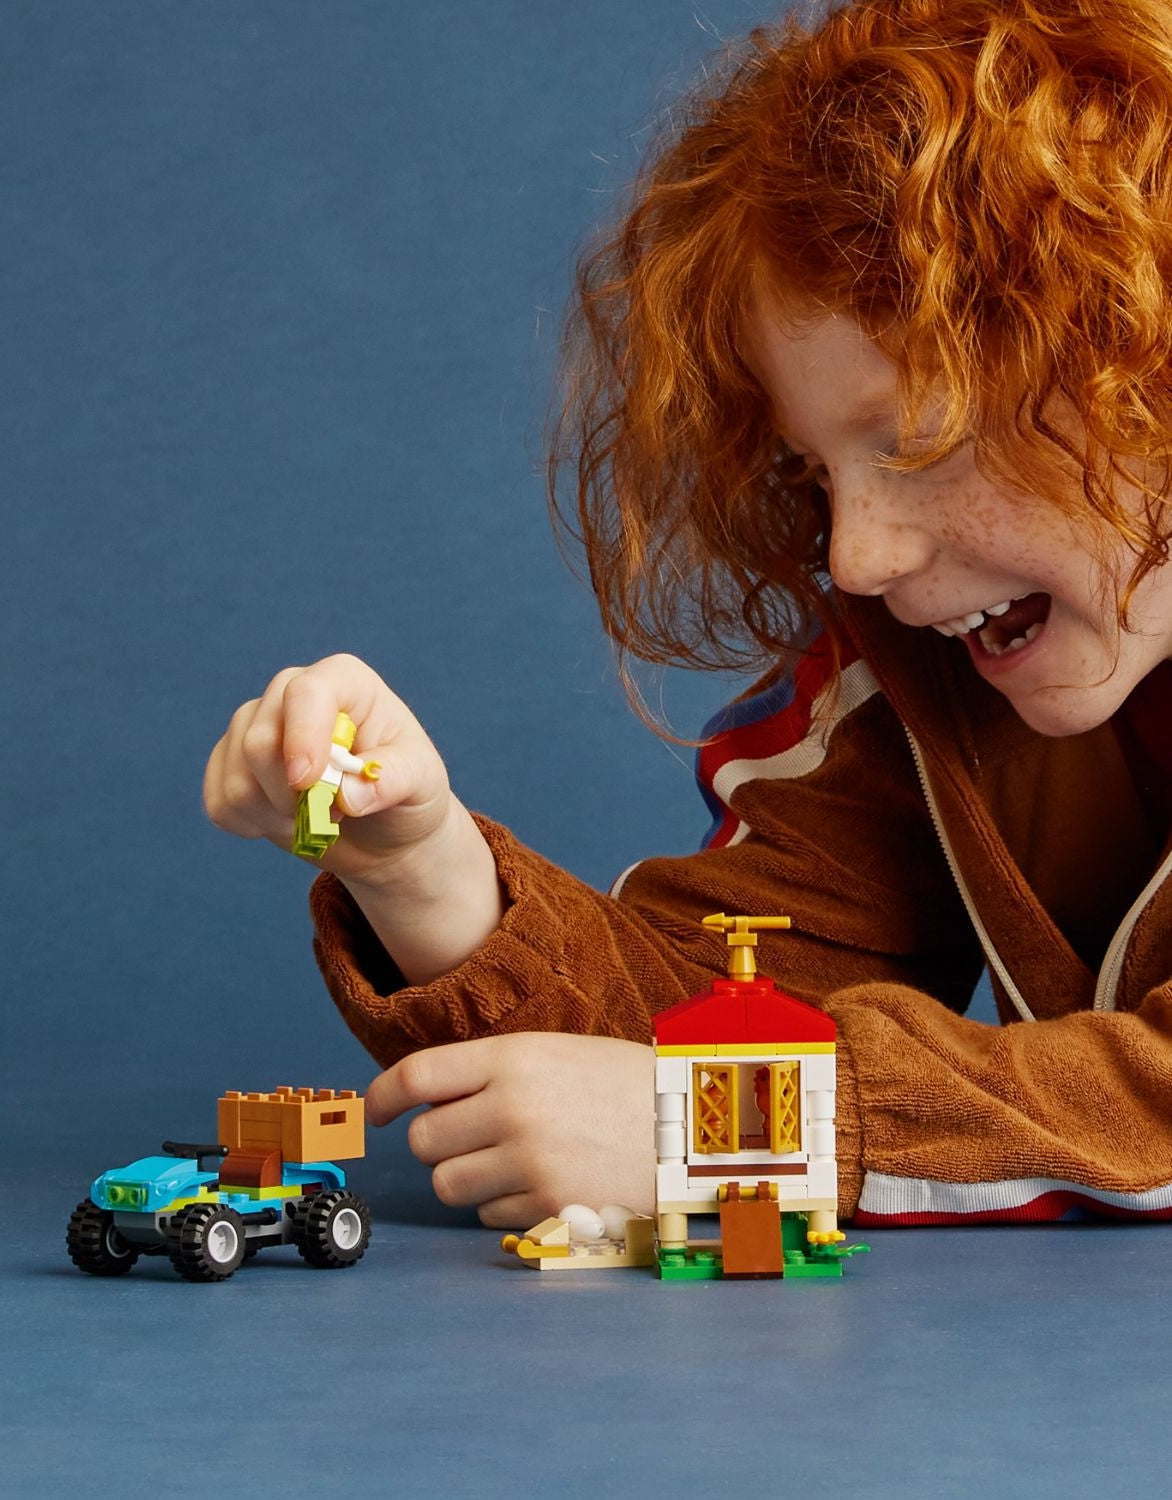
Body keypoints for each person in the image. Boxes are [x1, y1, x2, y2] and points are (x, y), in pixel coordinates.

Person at [204, 0, 1172, 1230]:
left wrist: (752, 1133)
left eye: (922, 442)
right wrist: (426, 874)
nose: (857, 555)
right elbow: (689, 1037)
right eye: (817, 472)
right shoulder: (917, 669)